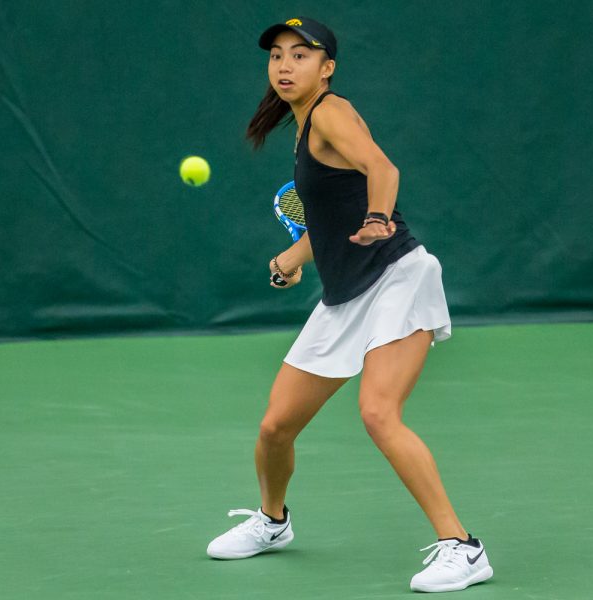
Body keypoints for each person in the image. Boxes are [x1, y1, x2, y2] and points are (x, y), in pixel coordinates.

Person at [205, 17, 494, 593]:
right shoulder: (301, 126)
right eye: (277, 57)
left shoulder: (331, 112)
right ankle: (273, 521)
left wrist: (378, 219)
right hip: (344, 294)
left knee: (378, 412)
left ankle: (464, 549)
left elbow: (383, 170)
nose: (285, 66)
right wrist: (294, 258)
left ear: (326, 68)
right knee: (275, 428)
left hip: (397, 278)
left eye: (301, 56)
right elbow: (333, 218)